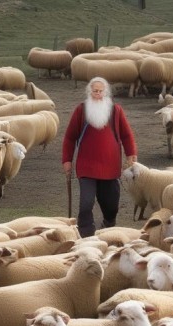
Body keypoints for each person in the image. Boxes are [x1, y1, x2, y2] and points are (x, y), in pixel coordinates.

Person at [62, 76, 138, 238]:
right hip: (86, 167)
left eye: (100, 91)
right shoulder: (81, 110)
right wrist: (67, 160)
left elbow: (126, 135)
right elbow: (69, 137)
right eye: (94, 91)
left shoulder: (116, 111)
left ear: (106, 92)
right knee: (85, 205)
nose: (97, 94)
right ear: (90, 92)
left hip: (110, 168)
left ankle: (108, 225)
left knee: (111, 206)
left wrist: (131, 153)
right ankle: (86, 236)